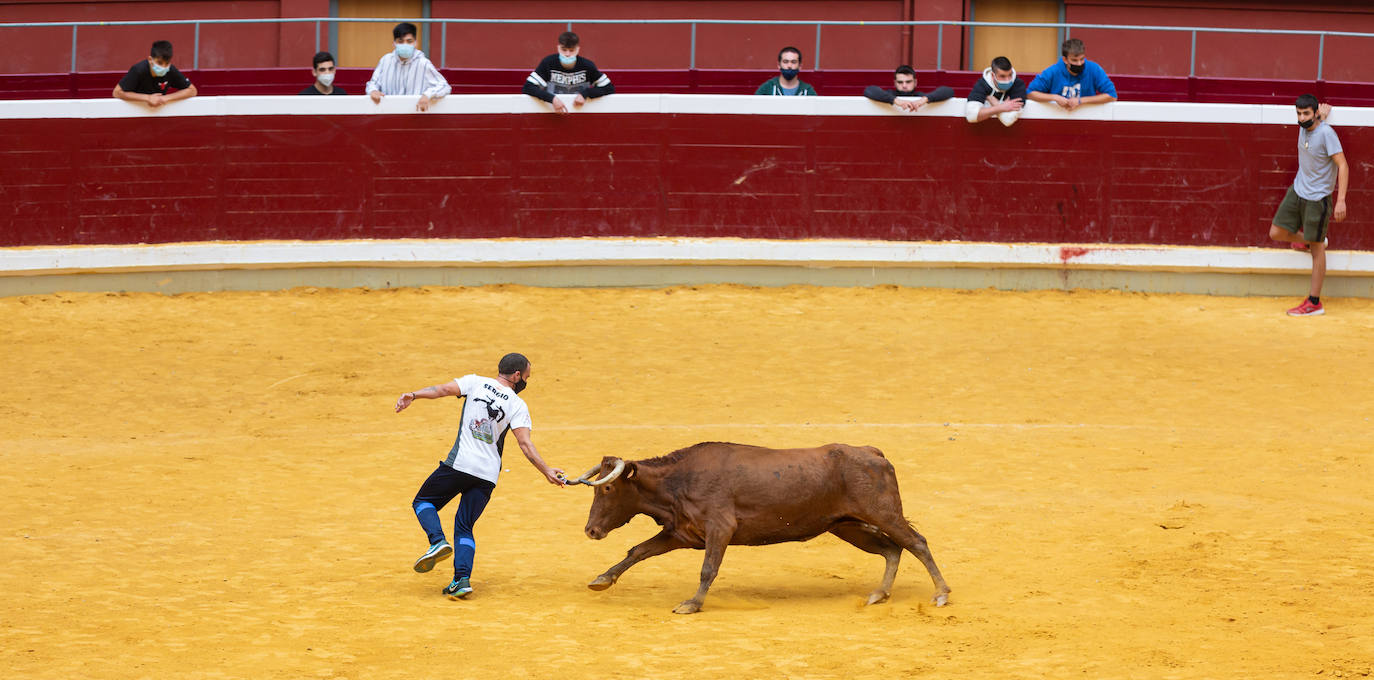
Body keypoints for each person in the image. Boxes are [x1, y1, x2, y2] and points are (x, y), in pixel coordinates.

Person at [396, 353, 565, 599]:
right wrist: (547, 470)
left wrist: (413, 395)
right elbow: (525, 444)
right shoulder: (518, 405)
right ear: (517, 375)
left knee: (423, 502)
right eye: (527, 375)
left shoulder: (474, 382)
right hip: (487, 475)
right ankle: (461, 580)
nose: (527, 380)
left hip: (460, 464)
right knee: (465, 526)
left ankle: (437, 541)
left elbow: (442, 389)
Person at [1268, 95, 1348, 316]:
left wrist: (1340, 200)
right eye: (1298, 113)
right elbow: (1314, 123)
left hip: (1318, 199)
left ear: (1314, 114)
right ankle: (1307, 242)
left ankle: (1314, 302)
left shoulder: (1326, 134)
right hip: (1298, 190)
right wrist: (1321, 114)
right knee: (1276, 232)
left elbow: (1343, 165)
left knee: (1318, 250)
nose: (1301, 118)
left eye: (1306, 114)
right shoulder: (1306, 126)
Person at [522, 31, 615, 114]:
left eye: (571, 50)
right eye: (564, 49)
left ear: (578, 49)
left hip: (580, 112)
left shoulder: (587, 66)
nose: (567, 54)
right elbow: (528, 87)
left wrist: (586, 94)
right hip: (552, 113)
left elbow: (609, 88)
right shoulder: (548, 63)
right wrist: (552, 99)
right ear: (558, 48)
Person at [365, 22, 450, 112]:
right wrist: (373, 91)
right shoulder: (385, 60)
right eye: (400, 41)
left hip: (414, 114)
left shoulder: (423, 63)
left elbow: (444, 86)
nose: (405, 45)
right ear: (394, 44)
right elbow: (373, 84)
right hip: (388, 112)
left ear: (415, 43)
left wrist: (427, 95)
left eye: (409, 41)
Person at [1027, 38, 1117, 111]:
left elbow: (1112, 96)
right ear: (1065, 60)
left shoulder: (1094, 68)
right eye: (1074, 60)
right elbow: (1030, 93)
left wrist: (1080, 101)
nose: (1079, 63)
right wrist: (1055, 98)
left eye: (1082, 59)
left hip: (1087, 118)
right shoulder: (1053, 71)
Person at [112, 40, 198, 107]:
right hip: (136, 110)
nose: (164, 67)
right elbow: (117, 92)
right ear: (150, 60)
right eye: (160, 63)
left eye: (167, 63)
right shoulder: (138, 70)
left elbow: (192, 90)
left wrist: (165, 98)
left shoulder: (171, 70)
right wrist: (147, 98)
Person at [966, 56, 1026, 126]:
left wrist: (993, 101)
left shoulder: (1018, 84)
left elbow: (1008, 120)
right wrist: (1001, 107)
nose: (1007, 80)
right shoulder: (982, 84)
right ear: (992, 75)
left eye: (1010, 75)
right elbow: (971, 116)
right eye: (1002, 76)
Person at [863, 65, 953, 112]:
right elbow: (869, 90)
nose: (904, 85)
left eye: (908, 82)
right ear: (895, 83)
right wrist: (895, 100)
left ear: (915, 82)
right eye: (900, 82)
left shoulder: (920, 97)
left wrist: (924, 100)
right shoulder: (890, 94)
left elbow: (948, 91)